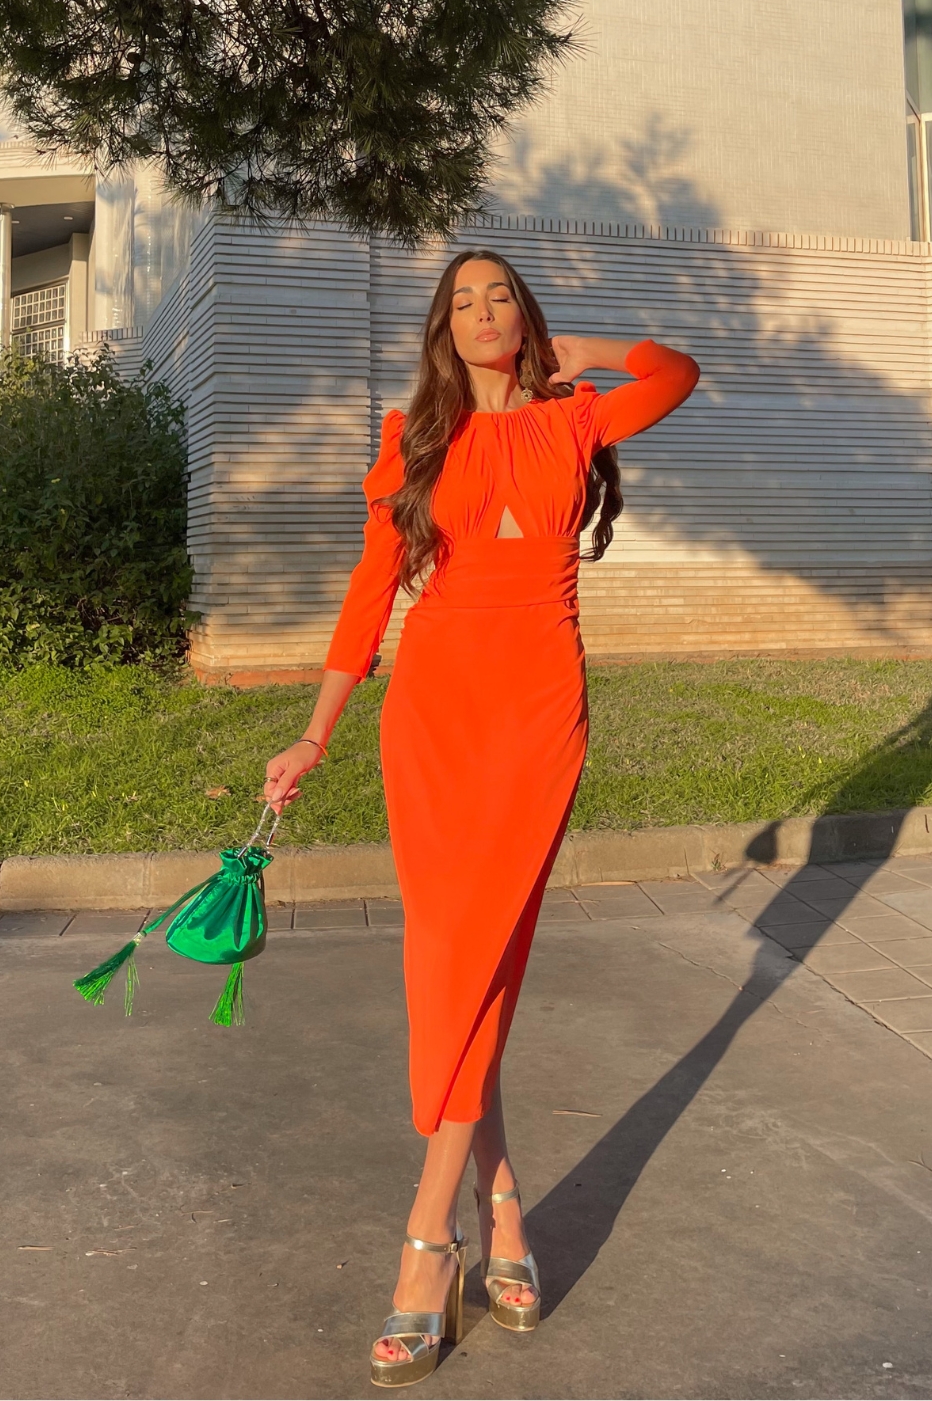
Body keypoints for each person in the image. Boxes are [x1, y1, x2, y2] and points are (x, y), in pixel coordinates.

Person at [263, 250, 699, 1387]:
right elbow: (372, 588)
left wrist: (583, 351)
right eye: (463, 301)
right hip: (434, 714)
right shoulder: (413, 437)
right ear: (443, 331)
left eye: (501, 295)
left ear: (525, 318)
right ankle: (499, 1205)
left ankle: (428, 1236)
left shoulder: (576, 419)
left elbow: (676, 372)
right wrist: (315, 732)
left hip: (539, 710)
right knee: (458, 959)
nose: (484, 311)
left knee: (486, 949)